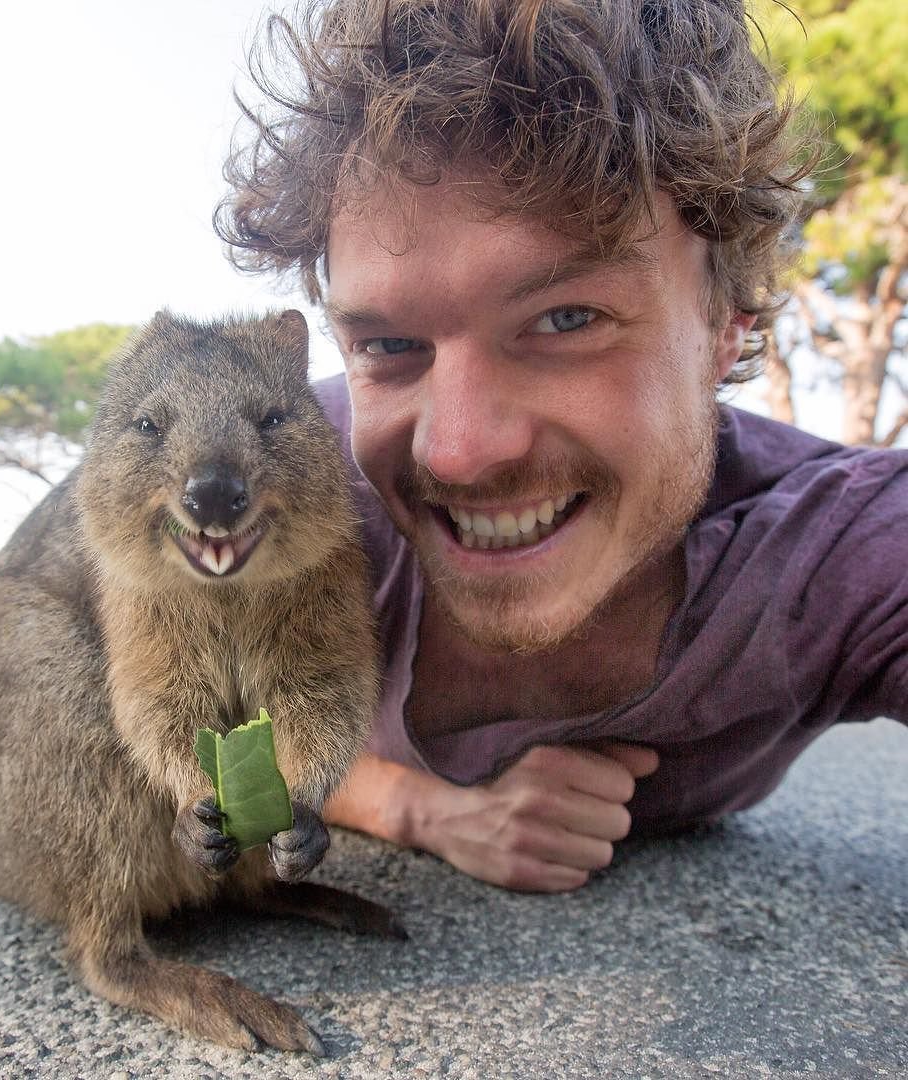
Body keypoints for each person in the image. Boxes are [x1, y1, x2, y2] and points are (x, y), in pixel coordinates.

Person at [215, 0, 908, 893]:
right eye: (389, 346)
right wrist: (417, 809)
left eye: (566, 319)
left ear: (725, 327)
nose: (457, 453)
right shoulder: (287, 484)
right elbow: (139, 716)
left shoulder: (834, 548)